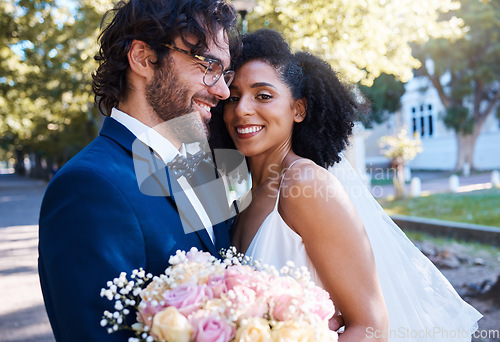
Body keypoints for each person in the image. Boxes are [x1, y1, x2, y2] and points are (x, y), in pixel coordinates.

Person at [210, 28, 482, 341]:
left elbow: (371, 327)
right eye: (232, 97)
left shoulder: (305, 185)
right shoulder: (244, 194)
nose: (242, 109)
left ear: (298, 109)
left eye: (263, 96)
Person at [38, 0, 238, 341]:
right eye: (209, 65)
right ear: (144, 58)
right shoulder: (87, 188)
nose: (223, 90)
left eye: (225, 73)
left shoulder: (204, 170)